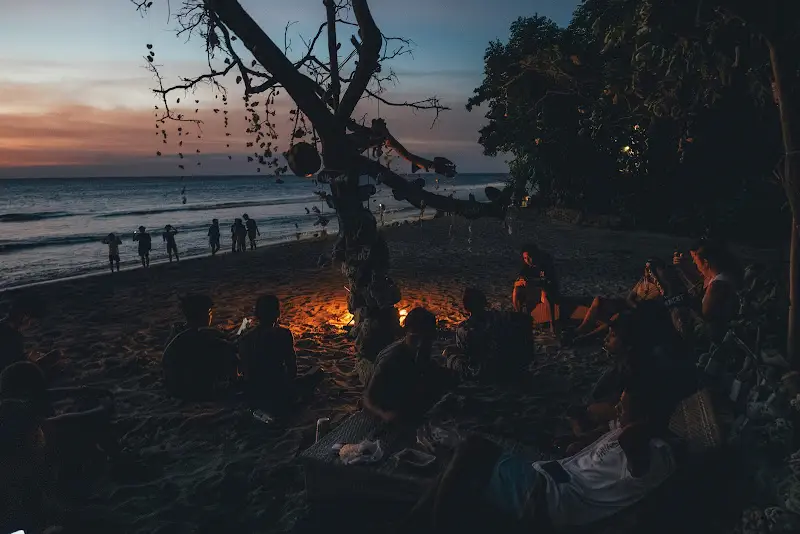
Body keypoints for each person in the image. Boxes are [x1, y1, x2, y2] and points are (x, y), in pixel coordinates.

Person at [398, 386, 676, 534]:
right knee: (465, 458)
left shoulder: (655, 453)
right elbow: (581, 449)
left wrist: (638, 423)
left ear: (645, 421)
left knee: (470, 451)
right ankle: (418, 522)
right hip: (545, 479)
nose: (616, 411)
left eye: (623, 408)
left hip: (551, 500)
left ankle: (431, 524)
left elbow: (631, 441)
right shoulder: (628, 434)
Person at [0, 361, 119, 467]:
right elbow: (67, 421)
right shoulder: (19, 418)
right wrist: (104, 407)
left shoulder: (10, 404)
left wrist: (80, 390)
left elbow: (42, 395)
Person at [238, 295, 323, 416]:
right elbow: (292, 369)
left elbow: (245, 372)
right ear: (277, 313)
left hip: (253, 392)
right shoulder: (283, 334)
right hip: (277, 392)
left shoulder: (245, 338)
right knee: (318, 373)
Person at [363, 307, 450, 423]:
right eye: (415, 337)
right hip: (391, 401)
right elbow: (367, 398)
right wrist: (384, 414)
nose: (420, 343)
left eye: (426, 338)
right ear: (406, 333)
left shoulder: (424, 347)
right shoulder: (391, 357)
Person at [162, 294, 238, 401]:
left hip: (172, 385)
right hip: (192, 388)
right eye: (210, 312)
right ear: (204, 314)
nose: (211, 316)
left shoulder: (176, 331)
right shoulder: (200, 334)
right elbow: (230, 348)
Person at [443, 288, 497, 381]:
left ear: (466, 306)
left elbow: (467, 351)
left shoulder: (465, 328)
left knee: (449, 356)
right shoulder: (495, 318)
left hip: (481, 370)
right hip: (501, 363)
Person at [0, 297, 59, 375]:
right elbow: (16, 368)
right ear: (24, 317)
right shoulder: (13, 337)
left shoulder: (5, 328)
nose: (30, 325)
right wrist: (43, 361)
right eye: (31, 322)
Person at [513, 243, 560, 335]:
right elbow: (517, 281)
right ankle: (520, 317)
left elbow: (547, 281)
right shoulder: (526, 265)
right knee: (516, 290)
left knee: (546, 293)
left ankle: (552, 324)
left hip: (547, 287)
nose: (528, 260)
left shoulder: (545, 262)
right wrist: (522, 282)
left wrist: (533, 282)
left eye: (529, 257)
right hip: (532, 288)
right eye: (525, 258)